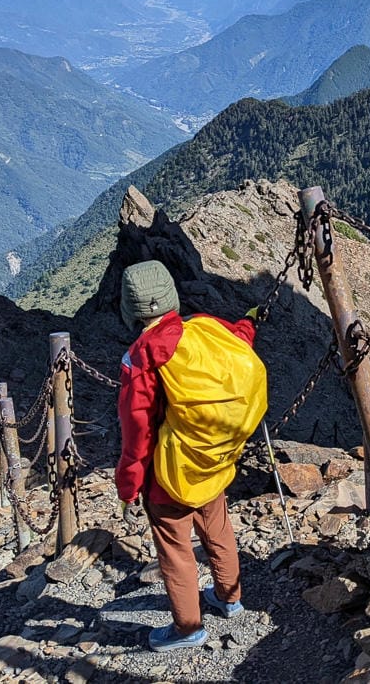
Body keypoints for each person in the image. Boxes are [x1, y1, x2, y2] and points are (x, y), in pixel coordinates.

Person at [115, 259, 267, 652]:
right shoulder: (204, 328)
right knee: (218, 530)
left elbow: (138, 431)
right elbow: (240, 338)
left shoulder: (142, 356)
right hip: (213, 460)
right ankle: (229, 598)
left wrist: (129, 484)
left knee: (176, 549)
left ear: (130, 308)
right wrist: (251, 319)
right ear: (170, 298)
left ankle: (187, 627)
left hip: (170, 475)